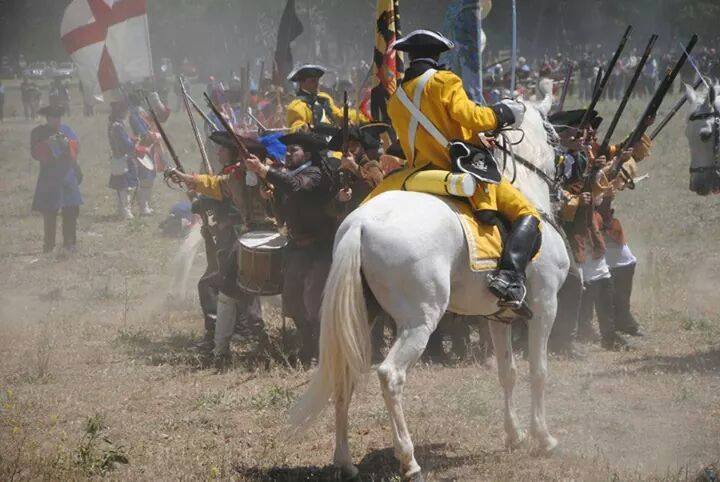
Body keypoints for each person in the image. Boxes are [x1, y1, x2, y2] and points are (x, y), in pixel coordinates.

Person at [386, 29, 540, 311]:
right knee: (526, 212)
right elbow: (471, 116)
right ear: (437, 55)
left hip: (417, 173)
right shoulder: (445, 81)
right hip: (456, 169)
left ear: (409, 56)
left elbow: (430, 132)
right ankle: (509, 279)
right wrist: (503, 113)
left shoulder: (396, 98)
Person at [170, 132, 270, 366]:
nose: (218, 152)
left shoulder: (266, 176)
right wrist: (189, 182)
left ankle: (238, 334)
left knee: (225, 284)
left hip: (254, 236)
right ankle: (232, 338)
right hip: (240, 237)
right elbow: (215, 186)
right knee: (233, 286)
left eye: (223, 149)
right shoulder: (234, 176)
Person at [244, 132, 338, 364]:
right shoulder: (287, 176)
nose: (287, 154)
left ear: (307, 154)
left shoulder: (314, 173)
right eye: (286, 150)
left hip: (321, 246)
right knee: (292, 299)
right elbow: (280, 214)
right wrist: (269, 198)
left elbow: (295, 187)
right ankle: (308, 345)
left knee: (315, 300)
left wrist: (264, 171)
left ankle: (324, 350)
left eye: (293, 150)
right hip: (297, 246)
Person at [30, 105, 83, 254]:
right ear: (48, 118)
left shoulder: (67, 130)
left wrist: (67, 144)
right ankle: (49, 245)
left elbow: (76, 149)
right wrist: (48, 144)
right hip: (49, 177)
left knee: (71, 210)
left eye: (59, 117)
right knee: (50, 212)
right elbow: (35, 154)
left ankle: (70, 244)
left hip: (67, 175)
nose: (57, 120)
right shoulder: (38, 132)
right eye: (54, 117)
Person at [285, 64, 367, 133]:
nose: (317, 84)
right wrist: (301, 128)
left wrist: (354, 118)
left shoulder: (324, 98)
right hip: (316, 144)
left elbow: (338, 114)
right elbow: (296, 125)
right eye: (313, 81)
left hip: (334, 140)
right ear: (301, 83)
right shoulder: (297, 105)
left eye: (317, 80)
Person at [107, 99, 141, 219]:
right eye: (125, 111)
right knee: (124, 186)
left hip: (118, 158)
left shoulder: (114, 124)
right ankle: (125, 211)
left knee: (122, 186)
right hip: (123, 158)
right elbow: (126, 145)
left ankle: (122, 209)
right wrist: (134, 142)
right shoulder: (117, 126)